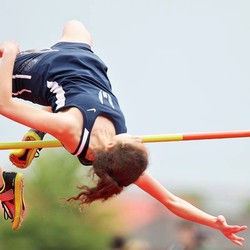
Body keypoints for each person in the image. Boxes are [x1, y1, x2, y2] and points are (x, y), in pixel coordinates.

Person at [0, 20, 247, 245]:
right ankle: (38, 130)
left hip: (41, 70)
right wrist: (213, 221)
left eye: (136, 143)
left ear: (112, 146)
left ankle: (5, 184)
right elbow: (171, 201)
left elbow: (5, 106)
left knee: (51, 106)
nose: (138, 138)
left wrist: (10, 54)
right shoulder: (123, 155)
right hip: (84, 61)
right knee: (75, 25)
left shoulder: (72, 129)